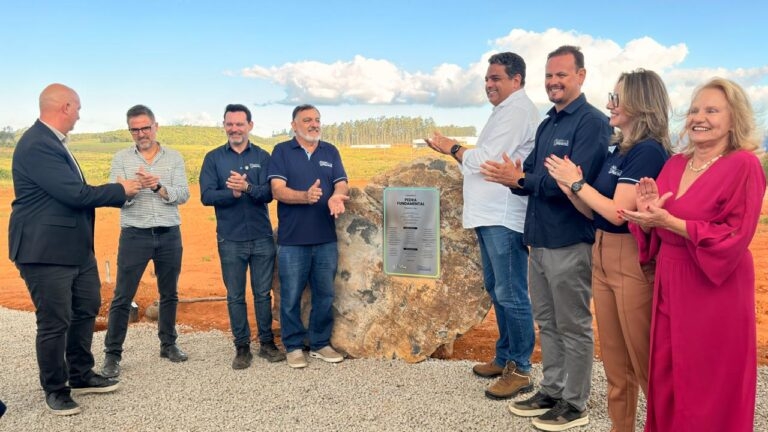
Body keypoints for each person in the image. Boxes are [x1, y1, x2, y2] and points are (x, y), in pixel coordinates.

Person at [619, 78, 765, 431]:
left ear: (734, 119)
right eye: (695, 110)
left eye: (712, 110)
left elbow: (735, 235)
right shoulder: (675, 164)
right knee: (669, 373)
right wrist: (648, 215)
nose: (699, 117)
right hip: (671, 280)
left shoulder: (744, 165)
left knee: (708, 379)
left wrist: (671, 221)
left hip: (715, 286)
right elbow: (653, 230)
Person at [481, 45, 611, 431]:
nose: (554, 82)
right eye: (549, 75)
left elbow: (570, 184)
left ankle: (575, 403)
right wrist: (516, 178)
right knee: (548, 322)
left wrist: (522, 179)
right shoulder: (548, 123)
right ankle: (552, 390)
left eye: (562, 75)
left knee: (573, 324)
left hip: (570, 241)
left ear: (581, 76)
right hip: (538, 240)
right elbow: (536, 178)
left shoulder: (591, 123)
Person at [545, 69, 671, 432]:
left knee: (644, 365)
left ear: (640, 103)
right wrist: (572, 188)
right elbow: (593, 209)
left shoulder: (648, 152)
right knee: (616, 366)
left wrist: (578, 183)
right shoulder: (620, 149)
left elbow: (620, 213)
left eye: (616, 98)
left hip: (629, 258)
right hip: (601, 255)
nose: (609, 104)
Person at [9, 83, 141, 415]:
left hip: (75, 250)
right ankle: (55, 388)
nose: (80, 115)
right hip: (44, 251)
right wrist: (121, 189)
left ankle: (80, 374)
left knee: (86, 309)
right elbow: (75, 195)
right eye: (78, 108)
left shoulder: (54, 143)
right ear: (65, 106)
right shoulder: (38, 144)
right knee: (54, 321)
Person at [425, 52, 538, 399]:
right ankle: (504, 356)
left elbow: (486, 162)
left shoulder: (518, 110)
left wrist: (452, 147)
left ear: (516, 80)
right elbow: (479, 160)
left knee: (511, 292)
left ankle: (520, 367)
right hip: (489, 216)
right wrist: (464, 154)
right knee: (497, 288)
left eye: (496, 78)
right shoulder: (503, 111)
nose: (489, 84)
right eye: (487, 79)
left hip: (503, 215)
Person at [101, 105, 190, 378]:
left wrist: (157, 187)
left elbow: (183, 194)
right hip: (134, 235)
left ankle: (168, 344)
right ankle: (112, 355)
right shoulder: (121, 159)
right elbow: (114, 195)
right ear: (130, 130)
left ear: (156, 126)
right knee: (122, 297)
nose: (141, 133)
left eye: (145, 127)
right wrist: (128, 190)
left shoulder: (173, 158)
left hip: (168, 234)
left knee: (169, 294)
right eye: (135, 129)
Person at [200, 104, 286, 369]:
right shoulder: (213, 158)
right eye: (230, 124)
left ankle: (267, 343)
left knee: (262, 294)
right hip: (230, 238)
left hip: (261, 237)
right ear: (224, 125)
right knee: (235, 295)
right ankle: (241, 346)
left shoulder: (263, 155)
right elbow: (206, 196)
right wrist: (232, 194)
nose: (234, 129)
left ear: (250, 125)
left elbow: (269, 193)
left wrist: (247, 187)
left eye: (240, 124)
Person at [267, 104, 350, 369]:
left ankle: (319, 343)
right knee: (290, 295)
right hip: (292, 241)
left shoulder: (330, 151)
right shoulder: (282, 151)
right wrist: (305, 197)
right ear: (294, 125)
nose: (314, 124)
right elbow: (277, 190)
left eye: (317, 120)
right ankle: (292, 346)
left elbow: (341, 181)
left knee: (324, 294)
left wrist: (337, 195)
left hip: (325, 238)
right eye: (307, 120)